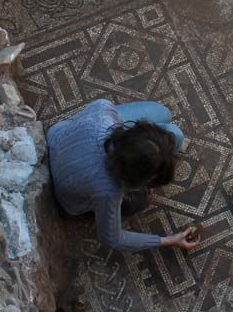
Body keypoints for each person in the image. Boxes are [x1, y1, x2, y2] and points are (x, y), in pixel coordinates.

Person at [47, 99, 200, 252]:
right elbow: (112, 238)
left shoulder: (102, 111)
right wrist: (167, 240)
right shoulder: (108, 192)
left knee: (169, 122)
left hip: (57, 138)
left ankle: (148, 153)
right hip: (67, 197)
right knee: (142, 200)